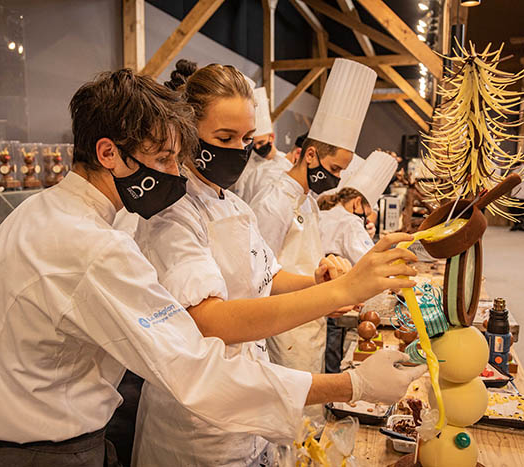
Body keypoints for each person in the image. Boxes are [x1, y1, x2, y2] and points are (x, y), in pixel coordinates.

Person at [0, 69, 422, 467]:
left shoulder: (33, 214)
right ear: (109, 152)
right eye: (164, 159)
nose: (177, 174)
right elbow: (197, 364)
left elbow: (258, 278)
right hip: (44, 454)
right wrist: (352, 384)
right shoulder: (92, 247)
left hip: (3, 445)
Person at [126, 61, 422, 466]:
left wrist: (319, 284)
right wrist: (343, 290)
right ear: (188, 133)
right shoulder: (172, 214)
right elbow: (210, 320)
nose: (239, 150)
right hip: (195, 428)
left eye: (246, 138)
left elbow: (268, 276)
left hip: (250, 403)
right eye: (224, 137)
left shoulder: (232, 205)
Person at [250, 59, 377, 383]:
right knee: (292, 407)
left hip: (313, 314)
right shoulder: (273, 201)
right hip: (285, 322)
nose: (334, 179)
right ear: (310, 155)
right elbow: (259, 277)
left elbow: (308, 254)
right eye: (333, 169)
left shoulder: (308, 199)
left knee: (311, 409)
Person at [317, 188, 375, 373]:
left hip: (316, 285)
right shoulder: (350, 221)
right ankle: (332, 389)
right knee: (332, 341)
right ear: (357, 202)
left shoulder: (323, 213)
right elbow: (368, 259)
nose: (364, 218)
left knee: (322, 341)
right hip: (334, 286)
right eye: (366, 213)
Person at [232, 87, 292, 203]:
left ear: (272, 137)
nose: (258, 148)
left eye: (261, 142)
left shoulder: (285, 165)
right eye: (253, 144)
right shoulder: (247, 166)